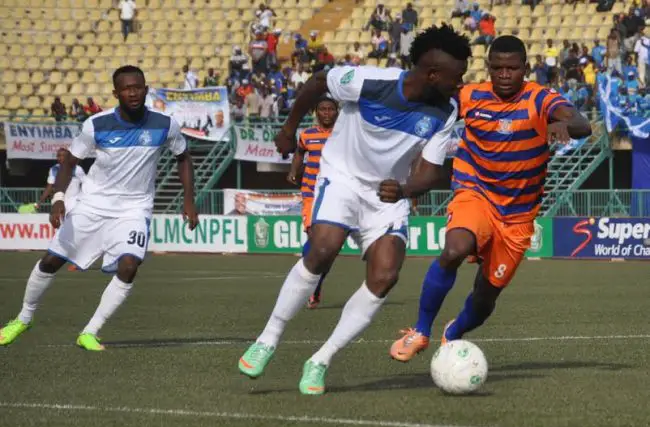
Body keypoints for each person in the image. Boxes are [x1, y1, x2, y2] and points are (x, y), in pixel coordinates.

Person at [238, 25, 471, 395]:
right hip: (342, 177)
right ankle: (268, 338)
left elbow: (430, 171)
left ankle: (321, 360)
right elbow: (319, 81)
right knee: (323, 249)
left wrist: (406, 189)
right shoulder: (370, 82)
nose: (461, 84)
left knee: (386, 275)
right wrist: (289, 127)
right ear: (432, 74)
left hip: (387, 195)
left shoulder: (446, 111)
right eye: (457, 76)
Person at [385, 35, 592, 362]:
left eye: (512, 68)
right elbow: (427, 106)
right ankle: (420, 330)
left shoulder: (540, 98)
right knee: (454, 249)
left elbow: (582, 124)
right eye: (497, 68)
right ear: (488, 68)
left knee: (485, 297)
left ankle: (453, 333)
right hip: (475, 192)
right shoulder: (469, 96)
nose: (505, 75)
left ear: (526, 68)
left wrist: (561, 123)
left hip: (518, 215)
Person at [0, 65, 199, 351]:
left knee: (129, 265)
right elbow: (70, 161)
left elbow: (183, 158)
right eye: (126, 89)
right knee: (50, 261)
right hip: (92, 205)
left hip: (134, 209)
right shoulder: (96, 125)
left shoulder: (165, 124)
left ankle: (90, 332)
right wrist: (58, 199)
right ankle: (23, 318)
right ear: (116, 93)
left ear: (146, 89)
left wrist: (189, 199)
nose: (133, 93)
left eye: (138, 87)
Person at [287, 96, 339, 309]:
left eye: (330, 109)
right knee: (315, 240)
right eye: (323, 109)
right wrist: (293, 171)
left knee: (328, 248)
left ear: (337, 112)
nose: (326, 113)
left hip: (335, 194)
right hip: (310, 193)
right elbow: (299, 154)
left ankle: (315, 286)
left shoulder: (343, 135)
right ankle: (310, 283)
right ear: (316, 112)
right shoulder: (307, 135)